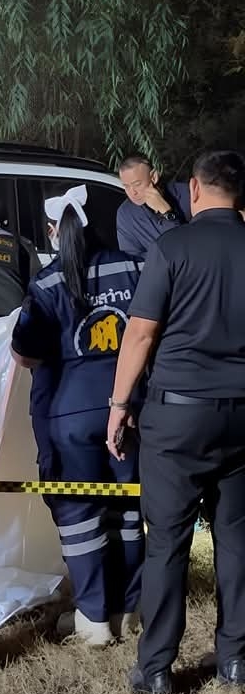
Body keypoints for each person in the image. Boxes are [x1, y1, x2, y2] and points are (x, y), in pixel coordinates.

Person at [107, 150, 245, 693]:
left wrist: (119, 406)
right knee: (236, 540)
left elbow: (140, 333)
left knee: (166, 542)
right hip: (241, 415)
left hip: (178, 417)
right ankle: (236, 659)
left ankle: (158, 667)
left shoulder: (172, 247)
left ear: (194, 189)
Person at [11, 184, 145, 647]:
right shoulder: (134, 268)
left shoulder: (48, 282)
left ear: (55, 230)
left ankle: (93, 621)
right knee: (128, 510)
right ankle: (129, 611)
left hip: (68, 415)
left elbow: (26, 354)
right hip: (128, 410)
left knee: (79, 516)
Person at [116, 153, 190, 259]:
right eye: (126, 186)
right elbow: (132, 258)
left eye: (137, 184)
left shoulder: (186, 194)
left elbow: (189, 247)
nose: (132, 192)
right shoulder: (126, 214)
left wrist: (166, 212)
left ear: (153, 177)